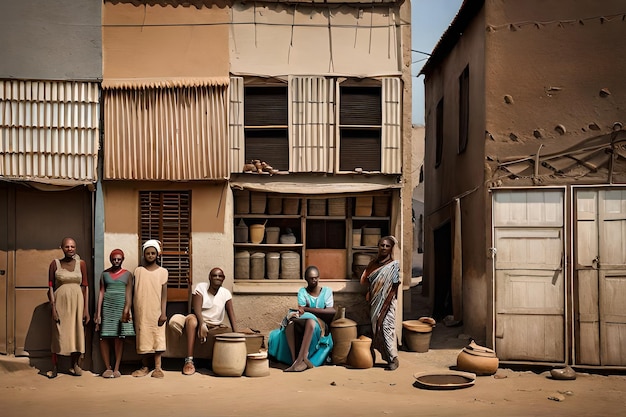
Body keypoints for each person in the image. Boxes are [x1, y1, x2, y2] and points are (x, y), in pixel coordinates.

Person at [169, 267, 237, 375]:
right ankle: (189, 361)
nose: (217, 278)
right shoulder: (201, 287)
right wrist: (202, 324)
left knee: (226, 335)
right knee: (192, 322)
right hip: (198, 317)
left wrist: (236, 332)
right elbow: (197, 308)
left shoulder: (226, 293)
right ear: (209, 277)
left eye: (220, 276)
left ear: (223, 278)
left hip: (214, 323)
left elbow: (231, 313)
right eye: (214, 275)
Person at [268, 266, 335, 372]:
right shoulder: (302, 292)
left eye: (316, 278)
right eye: (311, 278)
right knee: (291, 323)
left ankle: (302, 359)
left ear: (319, 277)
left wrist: (308, 309)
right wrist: (310, 311)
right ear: (306, 279)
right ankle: (295, 360)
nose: (314, 280)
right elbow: (302, 311)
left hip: (321, 324)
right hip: (307, 319)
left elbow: (331, 312)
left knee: (311, 322)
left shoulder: (326, 291)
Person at [123, 239, 168, 378]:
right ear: (144, 254)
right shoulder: (138, 271)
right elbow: (130, 291)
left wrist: (163, 313)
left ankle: (158, 368)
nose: (150, 255)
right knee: (143, 337)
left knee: (157, 337)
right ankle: (145, 366)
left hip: (157, 312)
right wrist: (128, 308)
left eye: (153, 253)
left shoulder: (163, 272)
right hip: (141, 311)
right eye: (147, 253)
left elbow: (164, 295)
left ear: (157, 254)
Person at [47, 237, 90, 378]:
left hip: (78, 304)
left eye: (72, 246)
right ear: (62, 248)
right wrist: (53, 308)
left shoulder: (81, 264)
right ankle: (54, 366)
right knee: (58, 334)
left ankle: (75, 364)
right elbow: (51, 287)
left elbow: (85, 287)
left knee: (76, 333)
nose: (70, 249)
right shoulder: (55, 264)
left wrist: (86, 310)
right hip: (60, 305)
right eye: (67, 246)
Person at [360, 236, 401, 371]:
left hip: (388, 302)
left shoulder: (393, 266)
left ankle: (394, 358)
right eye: (382, 245)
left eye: (387, 246)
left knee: (386, 327)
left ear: (391, 248)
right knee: (376, 329)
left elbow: (394, 287)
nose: (384, 248)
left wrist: (385, 305)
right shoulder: (373, 264)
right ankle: (386, 357)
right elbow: (367, 281)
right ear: (378, 246)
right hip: (374, 301)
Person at [94, 249, 135, 378]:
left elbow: (129, 293)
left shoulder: (128, 274)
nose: (116, 261)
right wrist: (98, 313)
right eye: (114, 259)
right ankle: (108, 368)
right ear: (110, 259)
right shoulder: (104, 274)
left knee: (119, 337)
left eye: (119, 259)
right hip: (107, 307)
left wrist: (127, 310)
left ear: (122, 259)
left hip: (121, 307)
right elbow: (101, 293)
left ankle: (117, 368)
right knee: (104, 337)